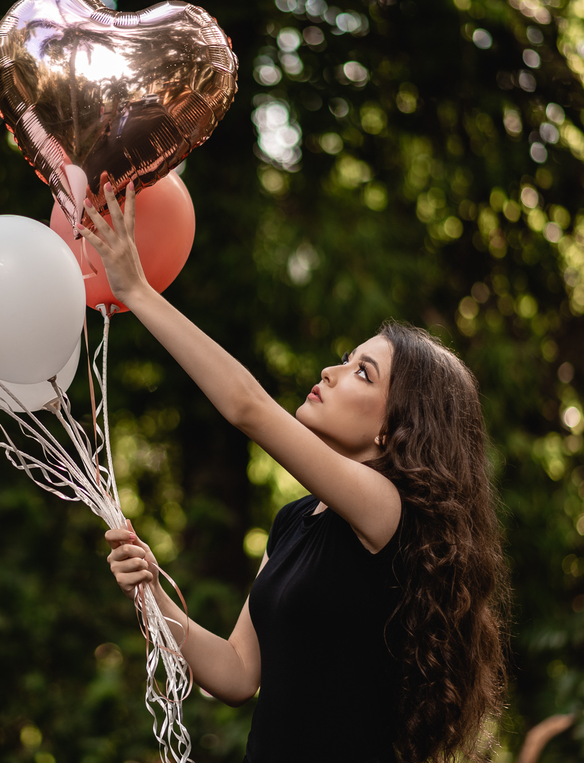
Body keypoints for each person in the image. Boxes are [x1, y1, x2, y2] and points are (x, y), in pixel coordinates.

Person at [83, 183, 508, 763]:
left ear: (395, 429)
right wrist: (153, 593)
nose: (332, 372)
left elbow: (247, 409)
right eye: (347, 357)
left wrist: (136, 289)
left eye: (363, 373)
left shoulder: (388, 513)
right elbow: (233, 675)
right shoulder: (292, 523)